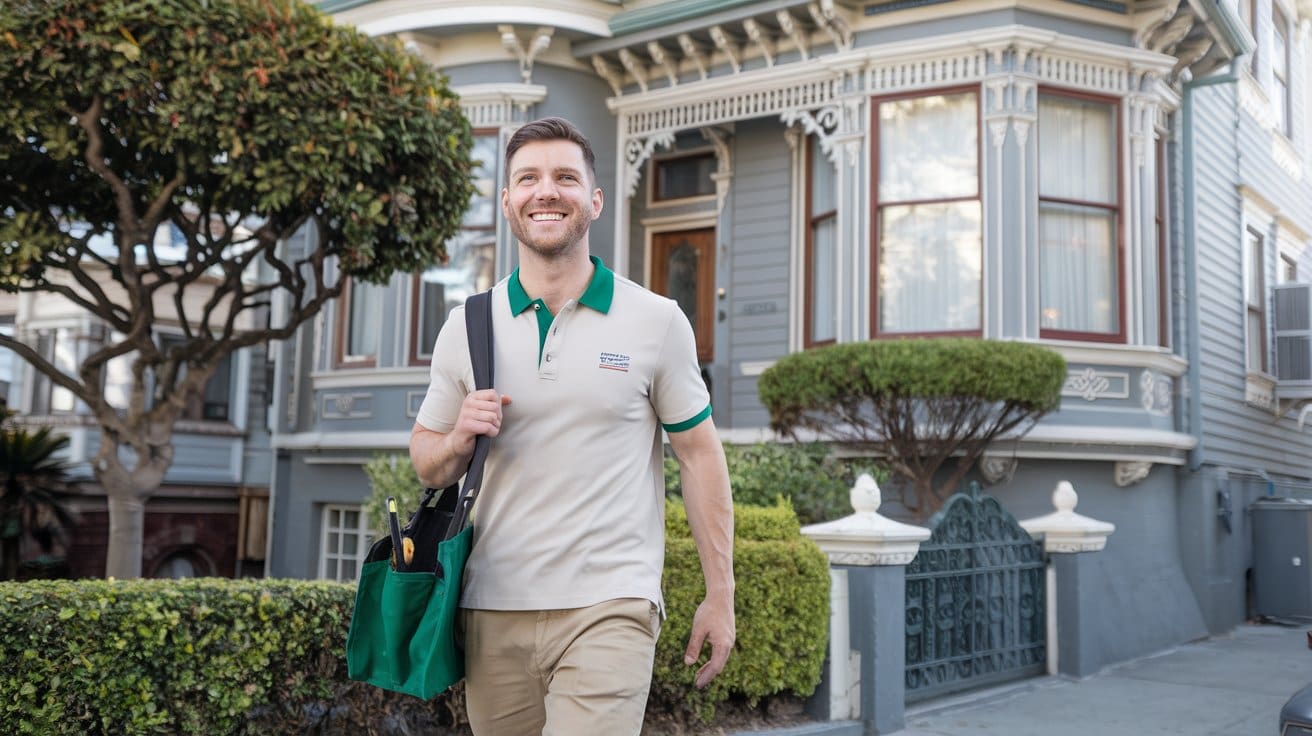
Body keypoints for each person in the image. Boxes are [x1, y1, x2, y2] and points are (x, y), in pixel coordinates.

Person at [410, 117, 735, 735]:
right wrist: (457, 440)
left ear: (594, 199)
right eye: (527, 178)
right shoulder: (467, 326)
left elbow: (699, 456)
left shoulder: (656, 321)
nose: (546, 191)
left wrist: (721, 594)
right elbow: (426, 460)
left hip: (610, 607)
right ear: (507, 201)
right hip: (489, 608)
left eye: (565, 177)